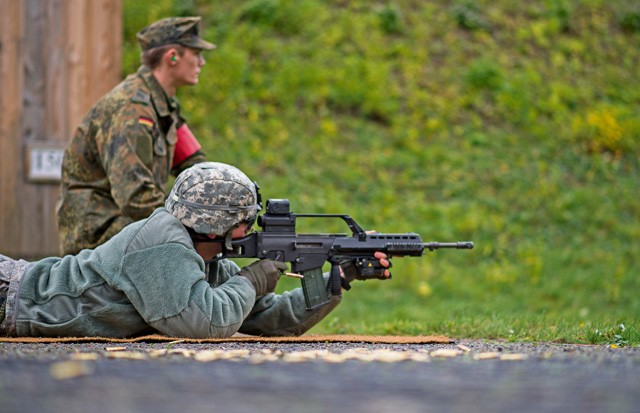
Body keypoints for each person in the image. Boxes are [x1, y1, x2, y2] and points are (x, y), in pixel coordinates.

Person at [1, 162, 390, 338]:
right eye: (243, 220)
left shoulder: (202, 254)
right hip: (11, 298)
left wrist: (341, 276)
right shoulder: (161, 245)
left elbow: (268, 319)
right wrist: (255, 277)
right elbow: (205, 323)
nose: (248, 229)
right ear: (214, 223)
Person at [57, 16, 216, 256]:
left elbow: (195, 166)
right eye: (196, 53)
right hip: (97, 240)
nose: (202, 62)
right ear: (172, 56)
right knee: (186, 248)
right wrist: (195, 225)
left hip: (124, 230)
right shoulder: (131, 110)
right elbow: (135, 198)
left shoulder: (162, 107)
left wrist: (222, 201)